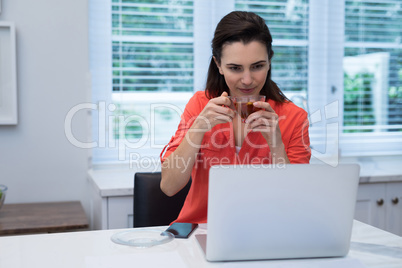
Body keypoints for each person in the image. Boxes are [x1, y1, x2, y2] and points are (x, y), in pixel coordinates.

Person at [160, 11, 311, 224]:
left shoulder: (295, 118)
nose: (247, 80)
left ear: (269, 62)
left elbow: (298, 203)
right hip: (202, 230)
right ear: (219, 65)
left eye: (257, 66)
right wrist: (198, 129)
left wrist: (276, 146)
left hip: (268, 231)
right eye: (235, 68)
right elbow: (169, 186)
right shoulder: (200, 105)